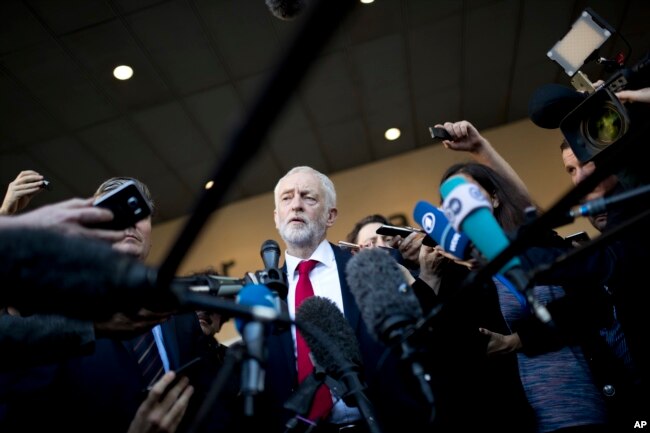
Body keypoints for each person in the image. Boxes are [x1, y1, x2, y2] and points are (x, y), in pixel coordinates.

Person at [0, 177, 219, 433]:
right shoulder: (58, 311)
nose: (129, 224)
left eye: (138, 212)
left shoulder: (181, 313)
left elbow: (210, 404)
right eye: (114, 213)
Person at [244, 166, 430, 433]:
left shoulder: (367, 270)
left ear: (330, 215)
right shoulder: (262, 293)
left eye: (308, 197)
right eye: (286, 198)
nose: (296, 205)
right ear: (277, 217)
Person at [438, 162, 612, 432]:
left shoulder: (540, 242)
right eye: (451, 202)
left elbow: (596, 304)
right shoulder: (457, 276)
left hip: (591, 394)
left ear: (494, 198)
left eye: (468, 192)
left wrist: (521, 339)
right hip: (522, 413)